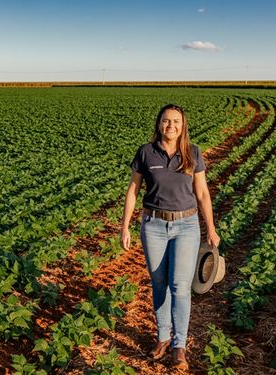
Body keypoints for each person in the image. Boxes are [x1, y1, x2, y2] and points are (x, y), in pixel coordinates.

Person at [120, 103, 220, 371]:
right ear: (159, 124)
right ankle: (162, 337)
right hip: (153, 225)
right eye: (166, 121)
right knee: (159, 283)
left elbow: (202, 194)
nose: (171, 126)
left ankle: (179, 345)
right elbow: (133, 191)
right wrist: (125, 226)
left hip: (186, 225)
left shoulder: (193, 153)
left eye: (176, 121)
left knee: (179, 285)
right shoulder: (145, 153)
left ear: (183, 125)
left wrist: (210, 227)